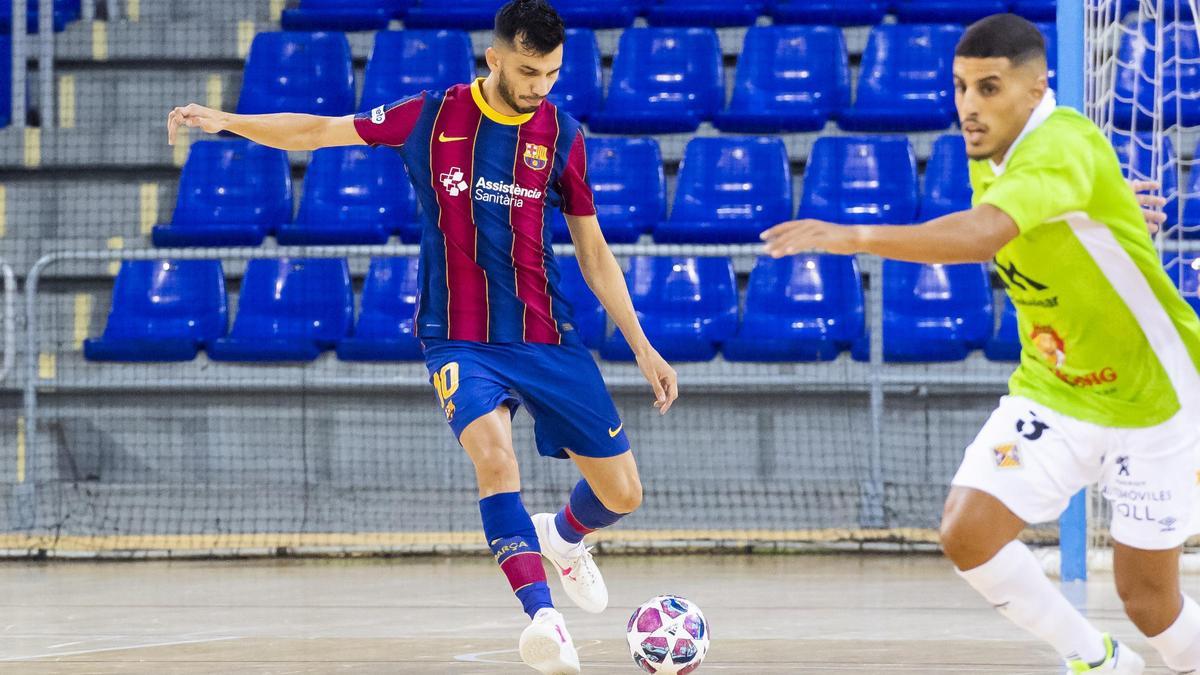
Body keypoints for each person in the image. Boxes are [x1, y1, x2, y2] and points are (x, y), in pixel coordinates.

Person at [167, 2, 679, 672]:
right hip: (458, 337)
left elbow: (594, 249)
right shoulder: (431, 117)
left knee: (623, 494)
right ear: (494, 58)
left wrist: (643, 346)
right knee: (495, 460)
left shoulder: (562, 134)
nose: (540, 86)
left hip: (546, 336)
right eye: (528, 70)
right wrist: (228, 121)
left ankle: (565, 537)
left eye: (552, 73)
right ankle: (544, 620)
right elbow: (318, 131)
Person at [762, 13, 1200, 674]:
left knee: (1148, 600)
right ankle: (1098, 660)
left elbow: (982, 235)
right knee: (968, 531)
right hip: (1057, 386)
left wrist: (854, 236)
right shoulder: (1003, 150)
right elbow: (1056, 203)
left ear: (1035, 89)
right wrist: (1109, 208)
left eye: (988, 88)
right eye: (961, 87)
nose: (969, 105)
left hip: (1155, 396)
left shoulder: (1058, 143)